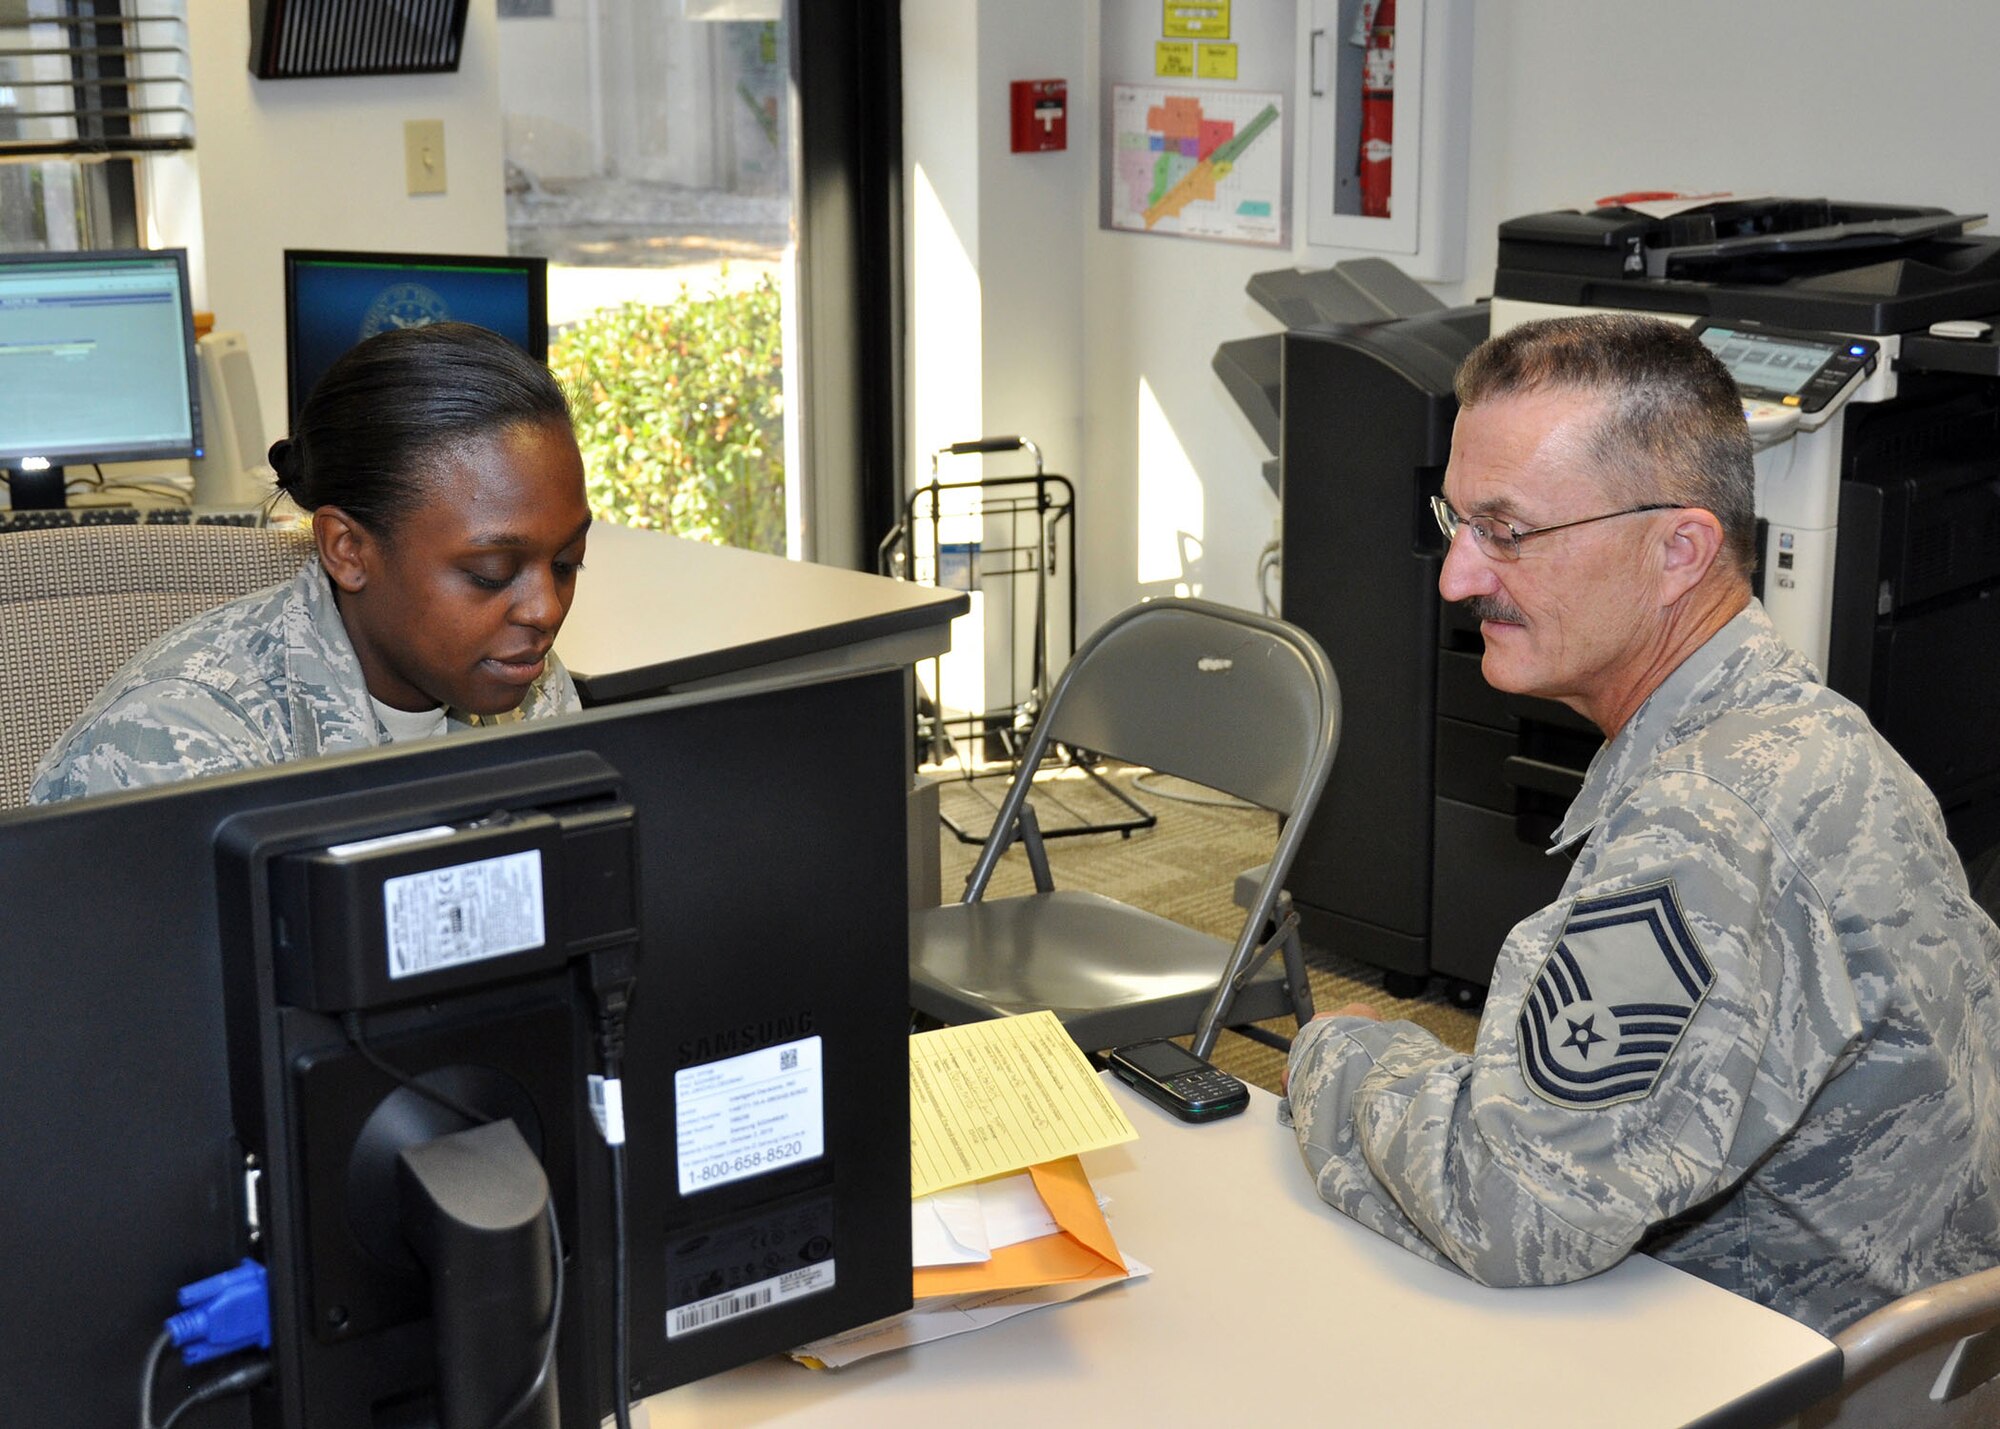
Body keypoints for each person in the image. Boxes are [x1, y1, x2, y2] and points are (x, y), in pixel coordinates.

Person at [1280, 313, 2000, 1336]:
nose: (1456, 577)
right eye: (1456, 522)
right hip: (1896, 1347)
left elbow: (1514, 1211)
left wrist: (1340, 1056)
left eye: (1509, 532)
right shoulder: (1810, 735)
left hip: (1766, 1366)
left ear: (1677, 549)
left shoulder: (1702, 821)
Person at [31, 322, 591, 803]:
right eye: (489, 573)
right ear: (347, 549)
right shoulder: (180, 746)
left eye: (566, 563)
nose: (545, 609)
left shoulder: (523, 680)